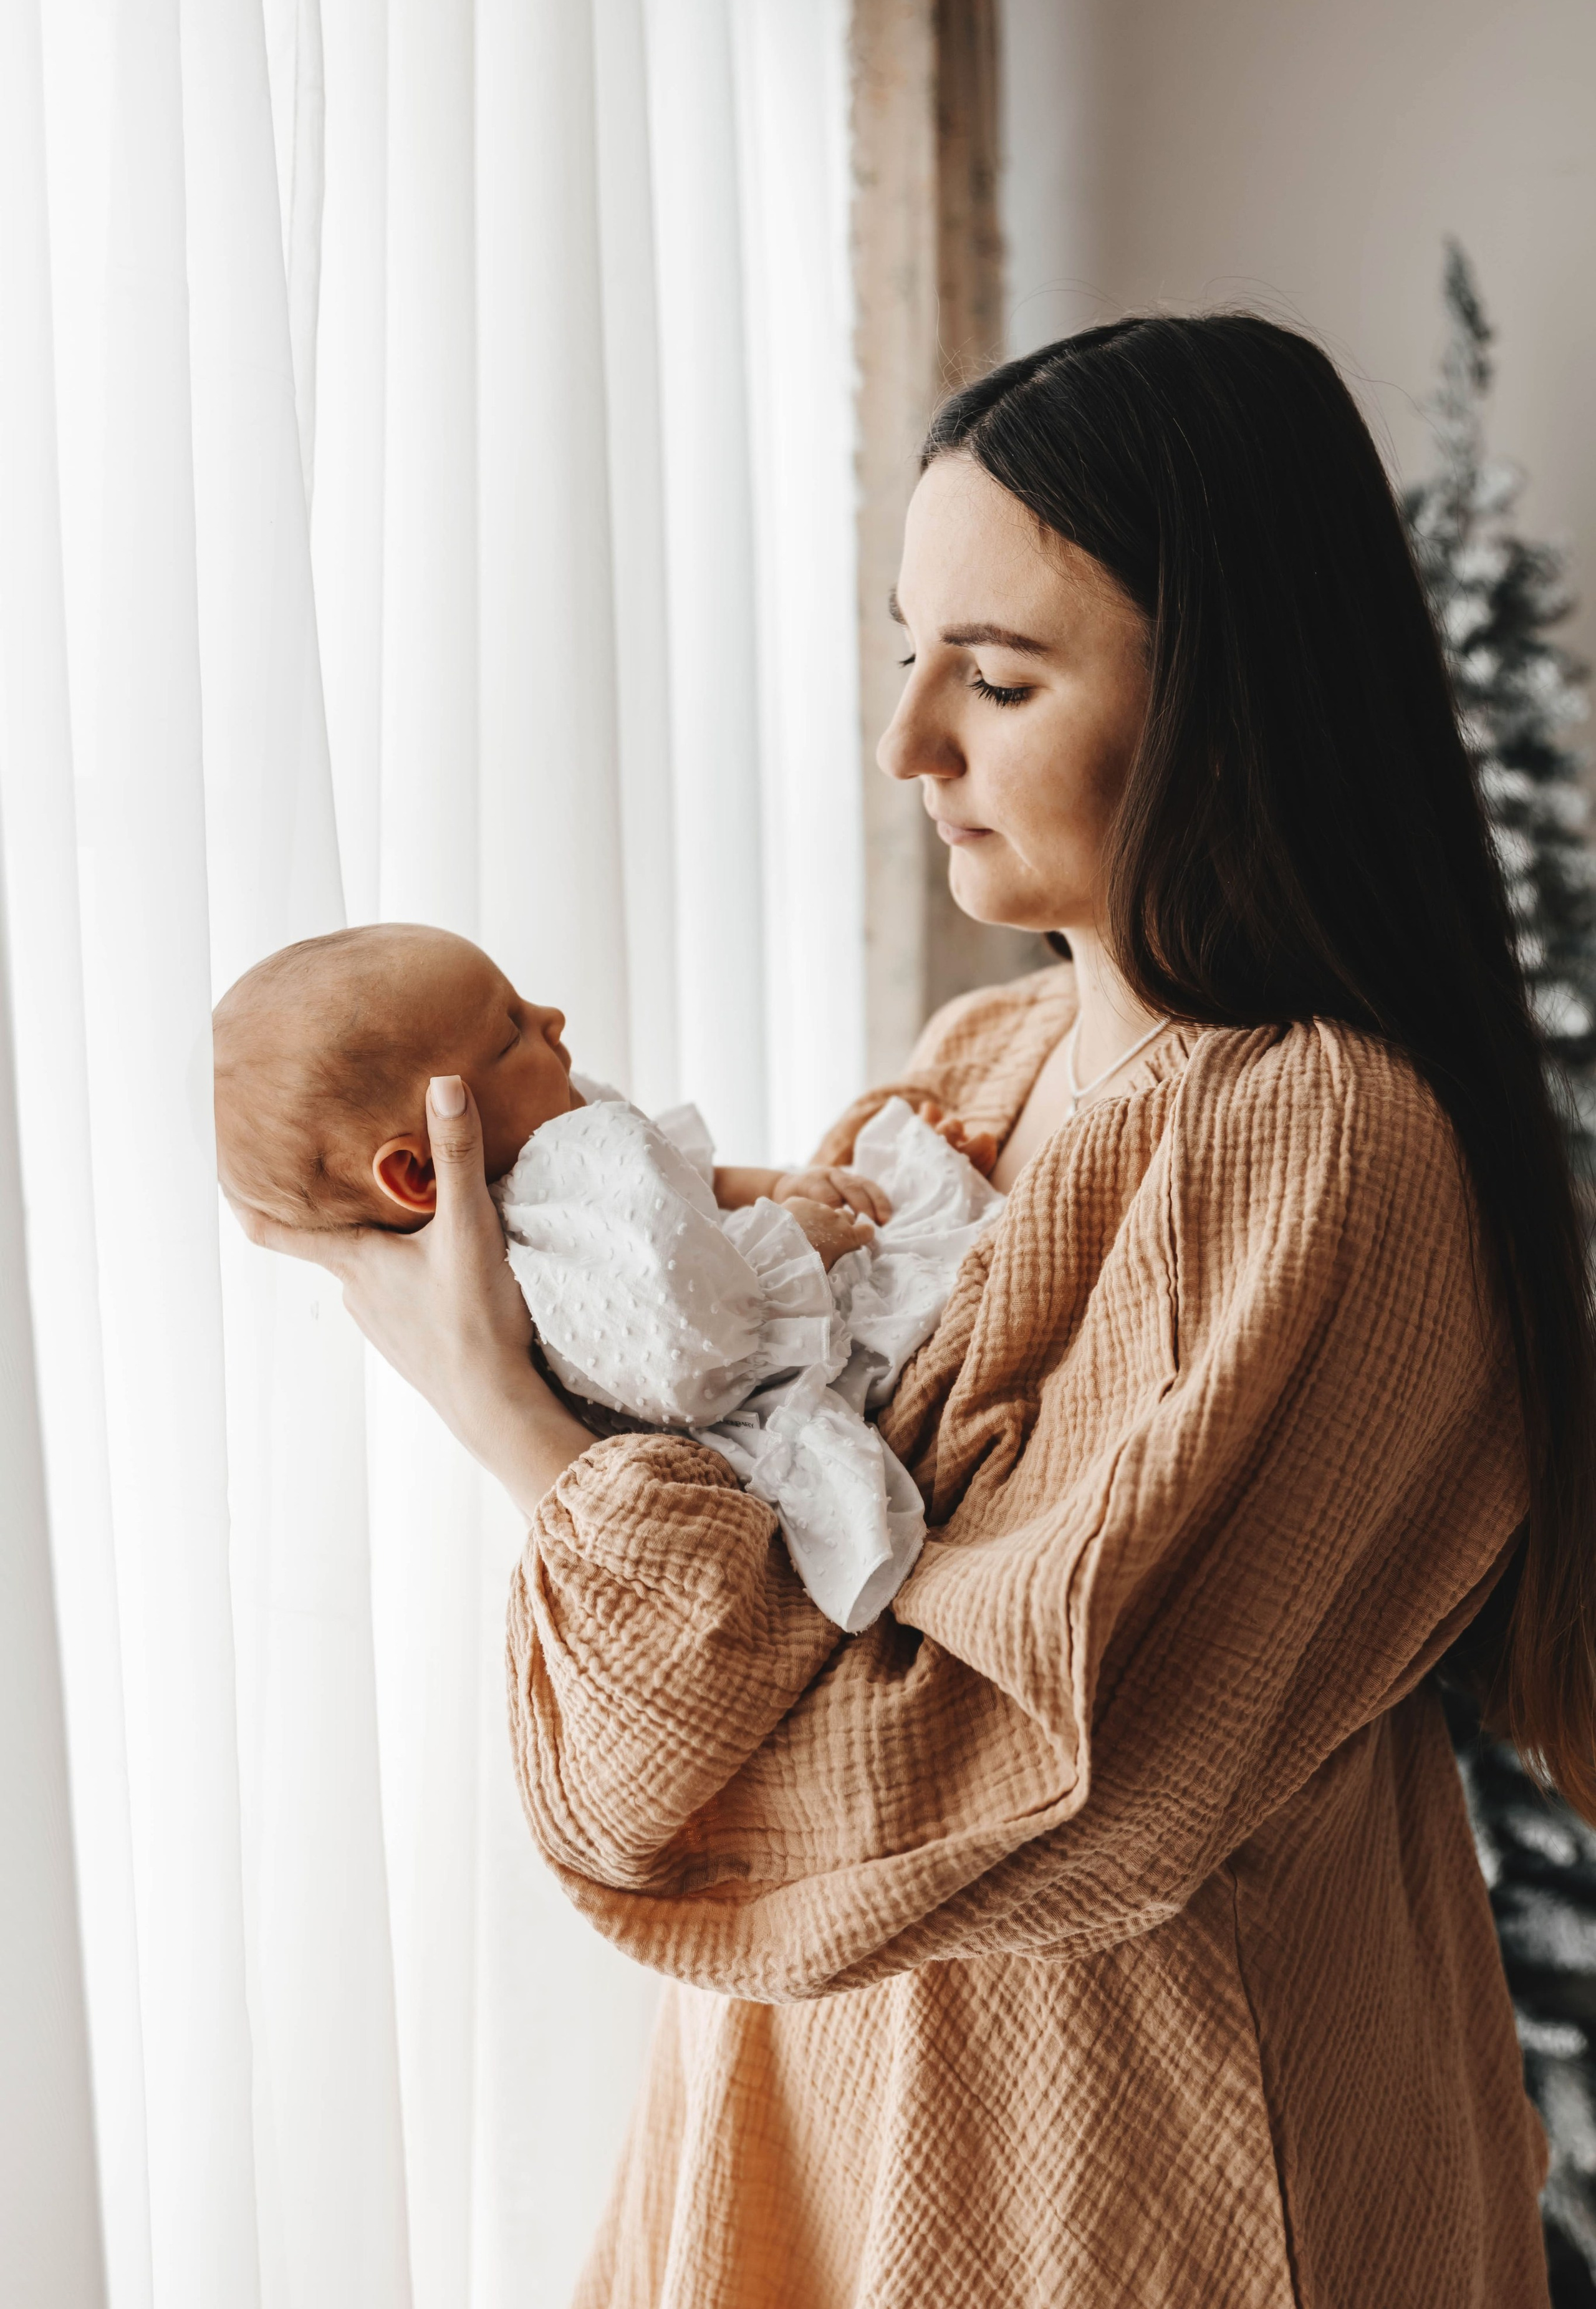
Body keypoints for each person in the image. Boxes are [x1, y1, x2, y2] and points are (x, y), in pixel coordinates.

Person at [238, 314, 1596, 2306]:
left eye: (1001, 674)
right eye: (905, 649)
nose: (907, 744)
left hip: (1138, 2175)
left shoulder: (1315, 1138)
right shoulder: (978, 1068)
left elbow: (996, 1781)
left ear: (1228, 698)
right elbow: (696, 1729)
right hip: (834, 2117)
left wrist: (510, 1420)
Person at [213, 923, 999, 1629]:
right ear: (418, 1170)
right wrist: (796, 1234)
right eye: (509, 1032)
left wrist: (784, 1183)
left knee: (904, 1188)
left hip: (762, 1299)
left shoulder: (552, 1135)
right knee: (936, 1281)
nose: (551, 1019)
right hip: (749, 1390)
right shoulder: (540, 1254)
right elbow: (698, 1353)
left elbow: (687, 1177)